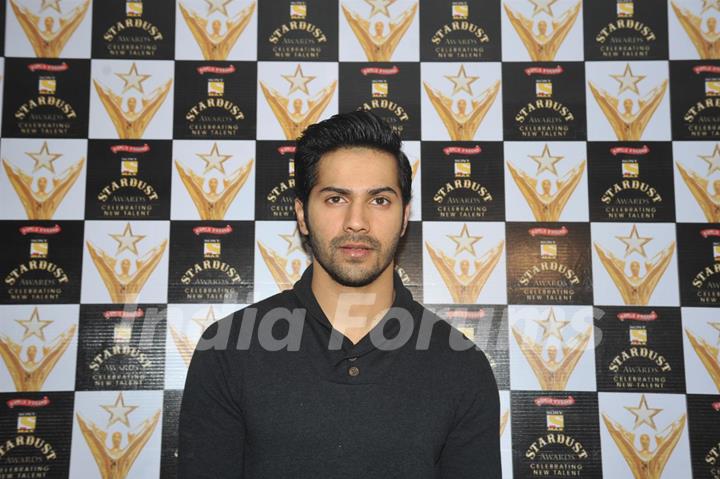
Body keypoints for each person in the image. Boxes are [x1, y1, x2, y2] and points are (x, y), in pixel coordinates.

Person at [178, 110, 501, 478]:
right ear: (302, 215)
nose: (357, 221)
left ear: (405, 216)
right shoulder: (227, 350)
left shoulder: (461, 366)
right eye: (335, 199)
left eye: (380, 200)